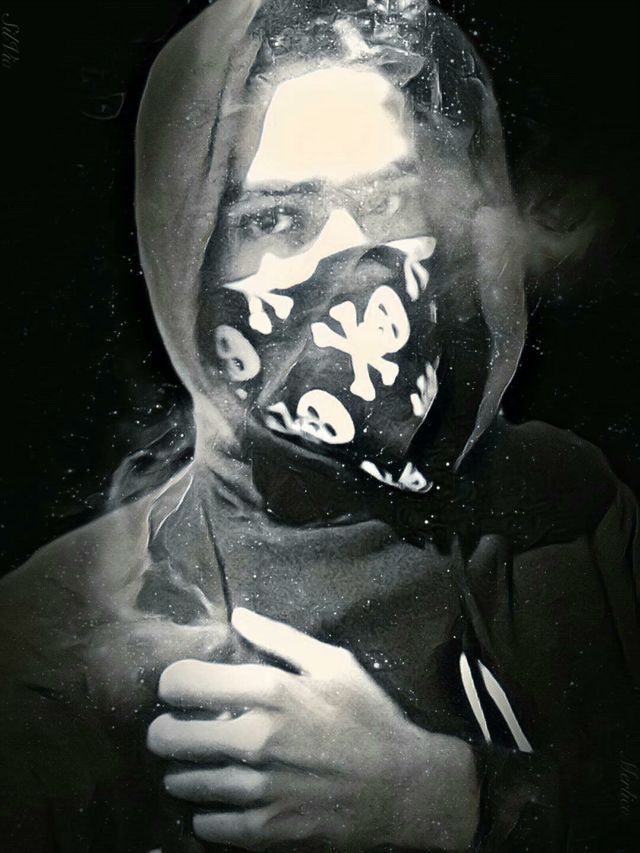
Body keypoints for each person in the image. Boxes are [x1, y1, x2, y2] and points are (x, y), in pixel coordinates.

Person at [1, 1, 638, 851]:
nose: (356, 261)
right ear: (187, 252)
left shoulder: (572, 507)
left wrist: (456, 801)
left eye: (388, 198)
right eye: (275, 219)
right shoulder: (60, 637)